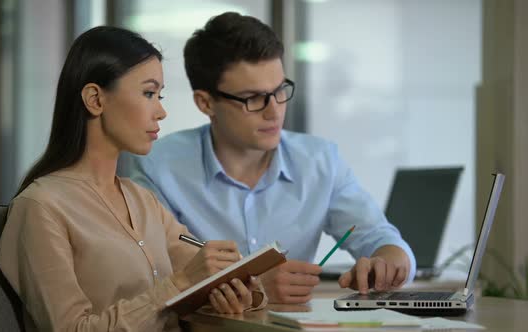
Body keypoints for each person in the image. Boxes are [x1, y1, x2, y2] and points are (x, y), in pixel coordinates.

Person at [125, 12, 417, 304]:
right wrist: (252, 286)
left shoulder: (321, 161)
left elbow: (379, 237)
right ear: (206, 102)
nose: (274, 110)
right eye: (253, 97)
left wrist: (386, 263)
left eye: (279, 91)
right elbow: (152, 276)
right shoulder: (158, 167)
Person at [0, 26, 266, 332]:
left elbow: (202, 269)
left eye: (160, 95)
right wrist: (179, 283)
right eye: (149, 93)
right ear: (95, 99)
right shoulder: (41, 208)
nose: (161, 111)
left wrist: (236, 289)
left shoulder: (143, 201)